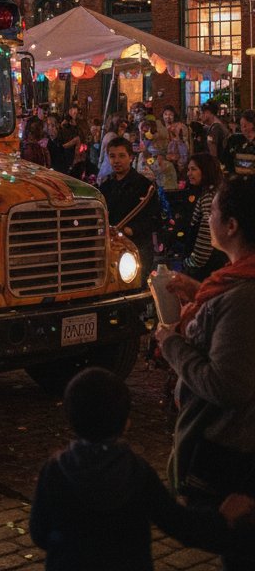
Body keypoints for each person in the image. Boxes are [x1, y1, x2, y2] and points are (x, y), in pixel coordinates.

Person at [29, 366, 249, 571]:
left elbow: (39, 532)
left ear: (70, 417)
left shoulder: (55, 471)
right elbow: (179, 524)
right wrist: (222, 519)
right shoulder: (137, 473)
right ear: (126, 422)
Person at [155, 176, 255, 571]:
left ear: (230, 226)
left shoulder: (244, 294)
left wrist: (170, 343)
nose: (206, 218)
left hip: (236, 455)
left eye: (212, 211)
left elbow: (226, 384)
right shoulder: (234, 283)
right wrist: (200, 295)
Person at [100, 136, 162, 277]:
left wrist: (131, 230)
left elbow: (154, 218)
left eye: (122, 156)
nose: (116, 161)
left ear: (131, 157)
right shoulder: (106, 186)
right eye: (112, 156)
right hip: (111, 248)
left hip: (137, 247)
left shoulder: (144, 186)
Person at [181, 154, 227, 282]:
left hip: (207, 268)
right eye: (188, 169)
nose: (189, 173)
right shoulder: (216, 191)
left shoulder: (209, 197)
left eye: (194, 169)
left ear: (206, 170)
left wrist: (191, 262)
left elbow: (207, 233)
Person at [223, 109, 255, 178]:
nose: (244, 129)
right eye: (241, 126)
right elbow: (226, 160)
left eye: (245, 126)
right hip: (237, 182)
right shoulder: (234, 140)